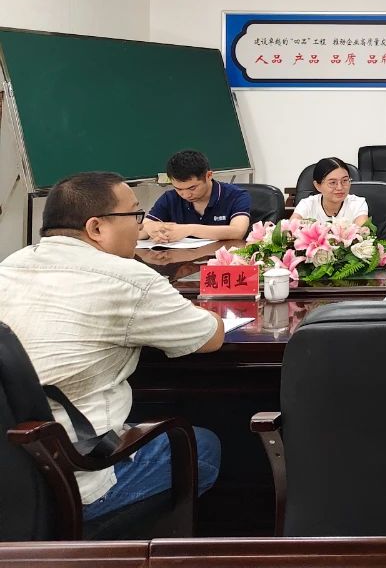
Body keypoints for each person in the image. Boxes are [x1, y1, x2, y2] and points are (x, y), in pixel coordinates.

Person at [0, 172, 224, 521]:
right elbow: (210, 336)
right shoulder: (128, 278)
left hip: (11, 476)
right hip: (73, 483)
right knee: (203, 446)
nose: (140, 226)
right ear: (96, 228)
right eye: (135, 215)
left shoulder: (9, 266)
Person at [142, 149, 251, 242]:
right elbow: (142, 230)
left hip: (220, 258)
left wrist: (189, 229)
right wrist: (150, 228)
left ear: (208, 176)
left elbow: (238, 231)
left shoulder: (236, 195)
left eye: (192, 188)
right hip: (181, 258)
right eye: (179, 189)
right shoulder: (170, 198)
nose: (186, 195)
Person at [292, 157, 369, 225]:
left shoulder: (357, 204)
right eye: (332, 182)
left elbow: (362, 234)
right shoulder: (307, 205)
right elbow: (289, 231)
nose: (339, 187)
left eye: (345, 180)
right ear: (318, 186)